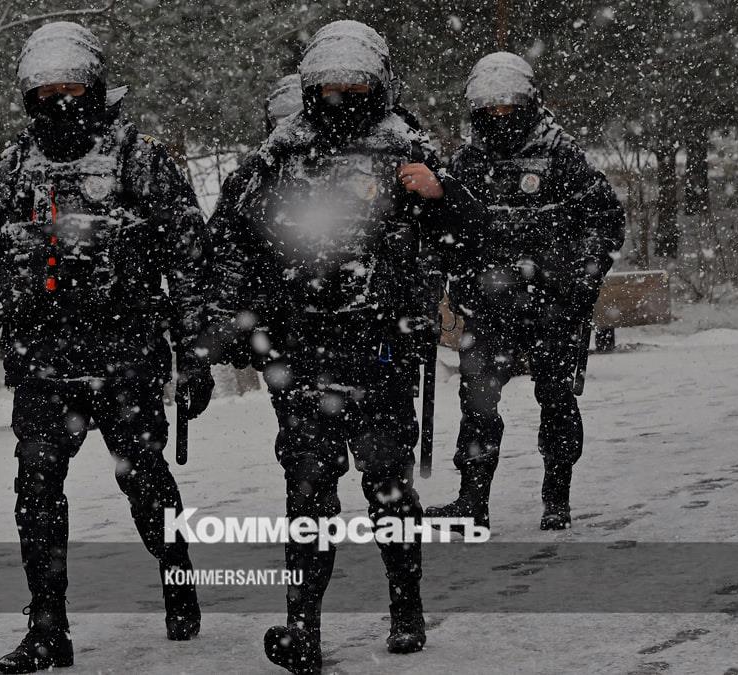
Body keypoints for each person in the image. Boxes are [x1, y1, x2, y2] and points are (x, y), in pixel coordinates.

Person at [206, 21, 488, 675]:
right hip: (304, 350)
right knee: (308, 494)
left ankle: (406, 608)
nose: (341, 99)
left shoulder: (405, 145)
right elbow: (230, 240)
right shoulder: (281, 152)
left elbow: (470, 237)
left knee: (387, 485)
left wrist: (442, 195)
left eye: (353, 87)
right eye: (329, 87)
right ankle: (302, 627)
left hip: (382, 347)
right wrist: (230, 322)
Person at [0, 22, 213, 673]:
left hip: (125, 359)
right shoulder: (15, 168)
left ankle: (176, 575)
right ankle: (47, 627)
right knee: (36, 492)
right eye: (46, 91)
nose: (58, 101)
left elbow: (189, 262)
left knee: (144, 482)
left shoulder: (139, 159)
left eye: (69, 88)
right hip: (43, 363)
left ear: (94, 87)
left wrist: (195, 354)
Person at [426, 52, 624, 530]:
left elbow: (603, 219)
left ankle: (557, 495)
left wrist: (583, 276)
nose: (499, 118)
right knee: (477, 403)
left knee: (556, 398)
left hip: (553, 302)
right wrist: (440, 271)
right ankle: (472, 499)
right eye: (490, 109)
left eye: (508, 108)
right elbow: (445, 228)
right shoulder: (468, 161)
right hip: (487, 305)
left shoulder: (560, 154)